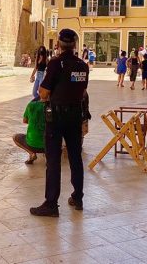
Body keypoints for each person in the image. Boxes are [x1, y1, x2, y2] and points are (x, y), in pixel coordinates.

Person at [30, 29, 89, 217]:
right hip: (75, 115)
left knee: (53, 160)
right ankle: (78, 197)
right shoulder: (83, 65)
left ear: (58, 44)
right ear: (75, 45)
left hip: (56, 117)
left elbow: (43, 93)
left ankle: (51, 204)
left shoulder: (55, 63)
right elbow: (82, 89)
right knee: (75, 157)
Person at [13, 100, 45, 164]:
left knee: (15, 137)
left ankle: (32, 153)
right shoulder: (55, 105)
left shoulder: (31, 105)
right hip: (51, 145)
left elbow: (25, 121)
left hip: (32, 145)